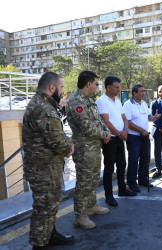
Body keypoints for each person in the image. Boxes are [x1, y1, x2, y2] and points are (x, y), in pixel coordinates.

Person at [23, 72, 75, 249]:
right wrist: (69, 148)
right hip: (44, 169)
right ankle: (39, 244)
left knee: (49, 205)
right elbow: (57, 141)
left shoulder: (39, 104)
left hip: (44, 167)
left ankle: (50, 235)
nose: (62, 92)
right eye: (60, 88)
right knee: (44, 208)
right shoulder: (44, 109)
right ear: (52, 88)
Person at [66, 71, 111, 230]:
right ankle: (80, 216)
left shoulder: (89, 101)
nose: (98, 86)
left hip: (94, 147)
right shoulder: (76, 101)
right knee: (84, 182)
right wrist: (103, 134)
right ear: (88, 84)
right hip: (84, 149)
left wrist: (106, 131)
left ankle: (91, 205)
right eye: (97, 83)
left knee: (92, 179)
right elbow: (86, 127)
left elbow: (98, 120)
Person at [96, 76, 137, 207]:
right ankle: (109, 196)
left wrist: (125, 131)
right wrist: (119, 133)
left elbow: (124, 118)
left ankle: (122, 189)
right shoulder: (102, 101)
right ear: (108, 87)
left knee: (121, 165)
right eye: (117, 87)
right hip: (110, 139)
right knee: (109, 168)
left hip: (120, 138)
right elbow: (106, 122)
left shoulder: (118, 101)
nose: (119, 90)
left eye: (119, 87)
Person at [122, 84, 161, 192]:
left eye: (144, 91)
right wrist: (141, 130)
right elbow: (128, 122)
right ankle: (131, 183)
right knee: (133, 160)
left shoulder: (143, 103)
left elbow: (148, 117)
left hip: (144, 136)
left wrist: (154, 118)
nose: (143, 93)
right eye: (141, 91)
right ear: (134, 93)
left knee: (145, 159)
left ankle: (143, 179)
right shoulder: (128, 105)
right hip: (133, 137)